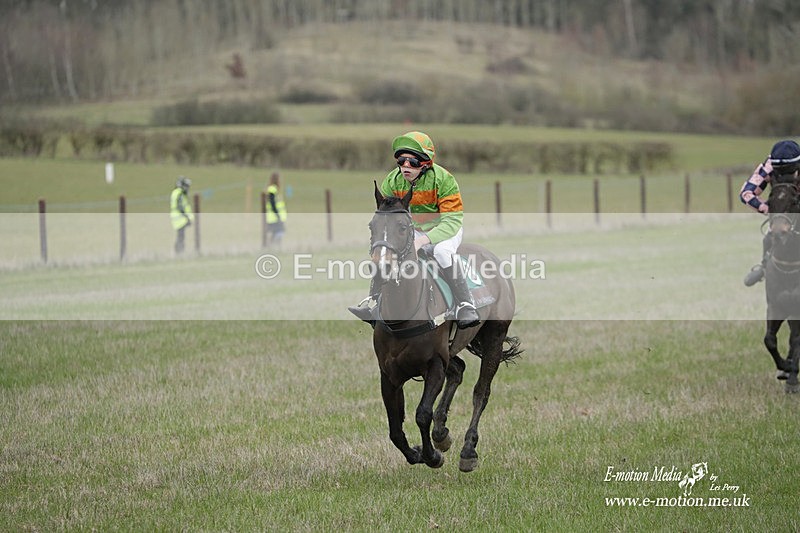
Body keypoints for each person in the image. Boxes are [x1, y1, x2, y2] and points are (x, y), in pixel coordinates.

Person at [348, 131, 480, 329]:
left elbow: (452, 221)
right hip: (412, 229)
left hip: (445, 230)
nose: (406, 166)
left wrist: (423, 240)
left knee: (442, 252)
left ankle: (465, 304)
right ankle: (374, 301)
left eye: (413, 162)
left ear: (425, 164)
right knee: (385, 253)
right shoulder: (392, 181)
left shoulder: (444, 180)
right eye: (402, 161)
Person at [740, 139, 800, 286]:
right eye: (779, 173)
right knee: (768, 237)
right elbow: (746, 193)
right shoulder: (769, 165)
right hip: (784, 211)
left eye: (789, 172)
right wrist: (772, 210)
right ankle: (764, 266)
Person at [170, 176, 194, 254]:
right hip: (180, 218)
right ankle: (179, 252)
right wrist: (187, 217)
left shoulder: (176, 193)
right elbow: (180, 206)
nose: (187, 188)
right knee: (181, 237)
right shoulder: (180, 193)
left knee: (180, 236)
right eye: (186, 186)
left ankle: (179, 252)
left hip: (177, 218)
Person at [265, 172, 287, 247]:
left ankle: (271, 248)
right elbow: (272, 203)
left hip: (275, 217)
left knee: (276, 234)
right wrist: (277, 215)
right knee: (279, 233)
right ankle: (274, 248)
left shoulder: (274, 189)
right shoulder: (272, 189)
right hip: (274, 217)